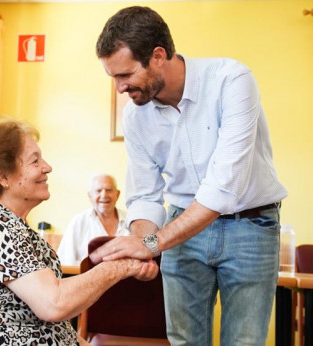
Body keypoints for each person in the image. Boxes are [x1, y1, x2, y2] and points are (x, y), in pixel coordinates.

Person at [92, 6, 288, 345]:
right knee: (183, 340)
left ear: (157, 56)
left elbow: (222, 190)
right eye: (113, 78)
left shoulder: (232, 80)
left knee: (244, 341)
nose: (120, 88)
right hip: (181, 226)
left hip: (251, 226)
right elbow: (144, 195)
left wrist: (150, 244)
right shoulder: (136, 118)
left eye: (125, 75)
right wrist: (144, 244)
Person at [0, 119, 155, 345]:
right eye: (35, 161)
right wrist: (122, 265)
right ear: (3, 177)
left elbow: (52, 321)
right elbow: (54, 304)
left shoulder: (5, 223)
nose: (47, 167)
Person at [57, 174, 129, 266]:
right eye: (98, 191)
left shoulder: (131, 221)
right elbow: (64, 263)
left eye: (109, 190)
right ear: (90, 196)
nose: (104, 195)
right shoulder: (78, 222)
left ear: (117, 194)